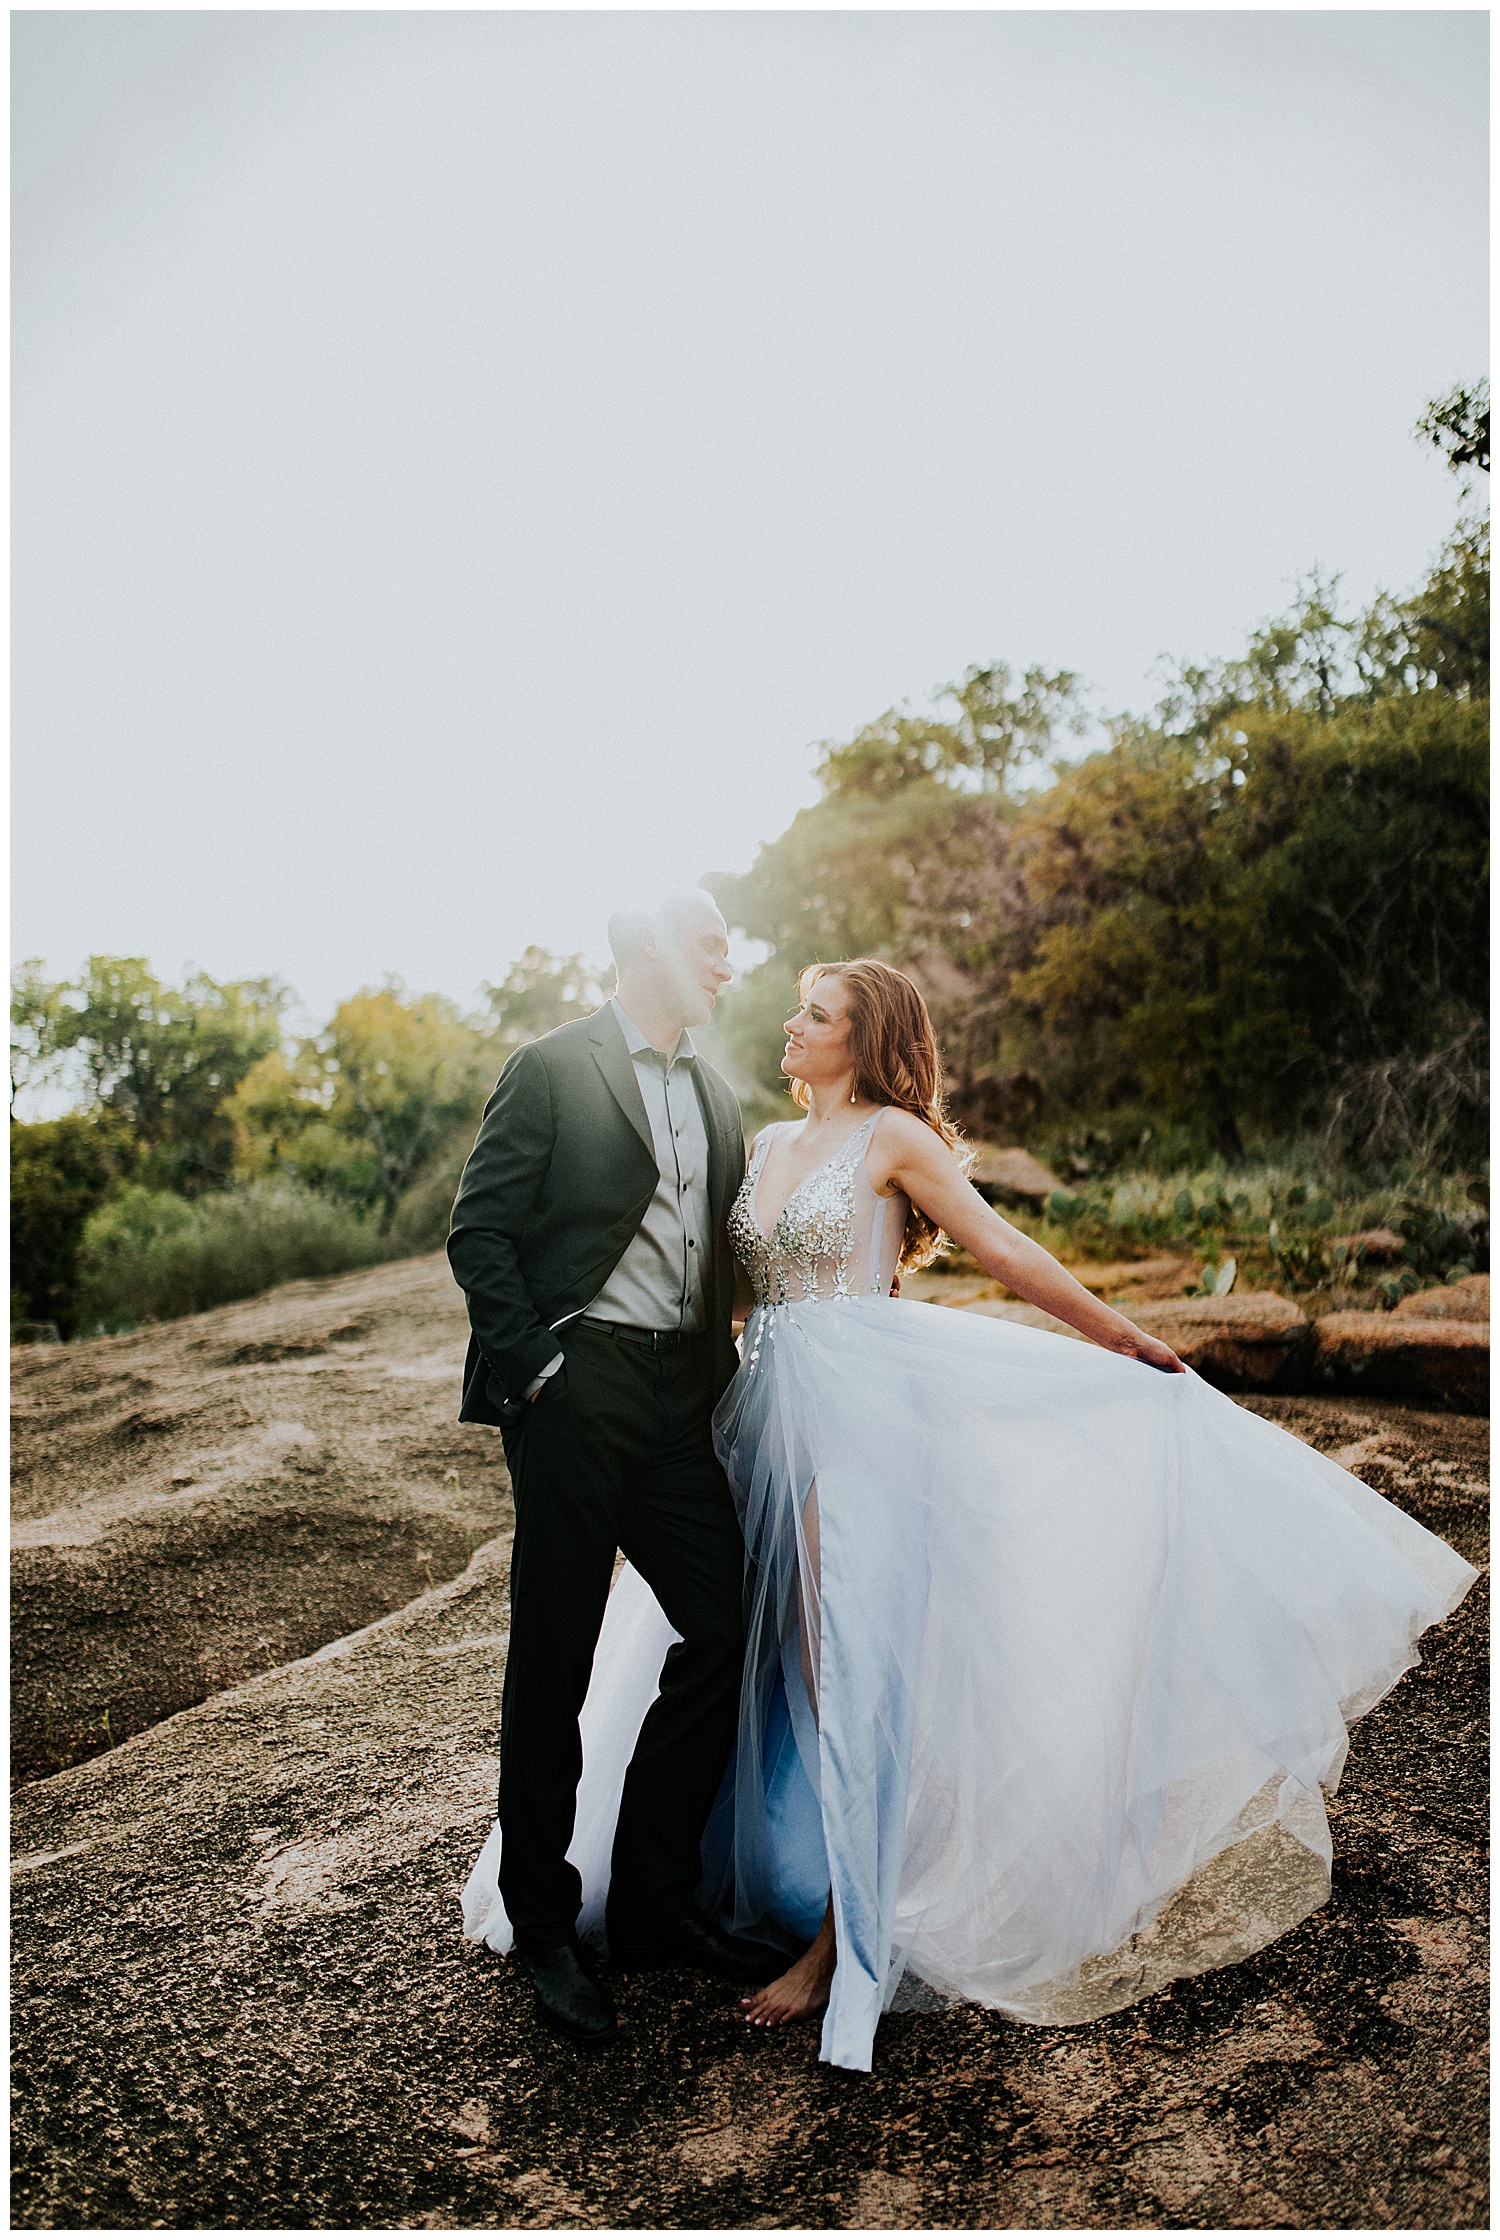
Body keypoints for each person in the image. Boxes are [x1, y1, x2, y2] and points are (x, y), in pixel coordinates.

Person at [508, 954, 1477, 2075]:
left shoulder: (895, 1140)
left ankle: (842, 1948)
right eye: (799, 1008)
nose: (792, 1022)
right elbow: (715, 1286)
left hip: (857, 1426)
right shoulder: (766, 1145)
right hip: (755, 1417)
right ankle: (692, 1891)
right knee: (747, 1657)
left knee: (847, 1679)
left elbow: (999, 1246)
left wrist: (1119, 1335)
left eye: (816, 1013)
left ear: (866, 1042)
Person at [449, 889, 783, 2048]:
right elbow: (478, 1232)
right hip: (573, 1390)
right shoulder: (551, 1065)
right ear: (651, 948)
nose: (727, 965)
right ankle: (546, 1924)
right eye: (710, 944)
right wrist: (539, 1367)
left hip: (677, 1403)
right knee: (556, 1648)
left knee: (727, 1619)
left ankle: (650, 1902)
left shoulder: (715, 1089)